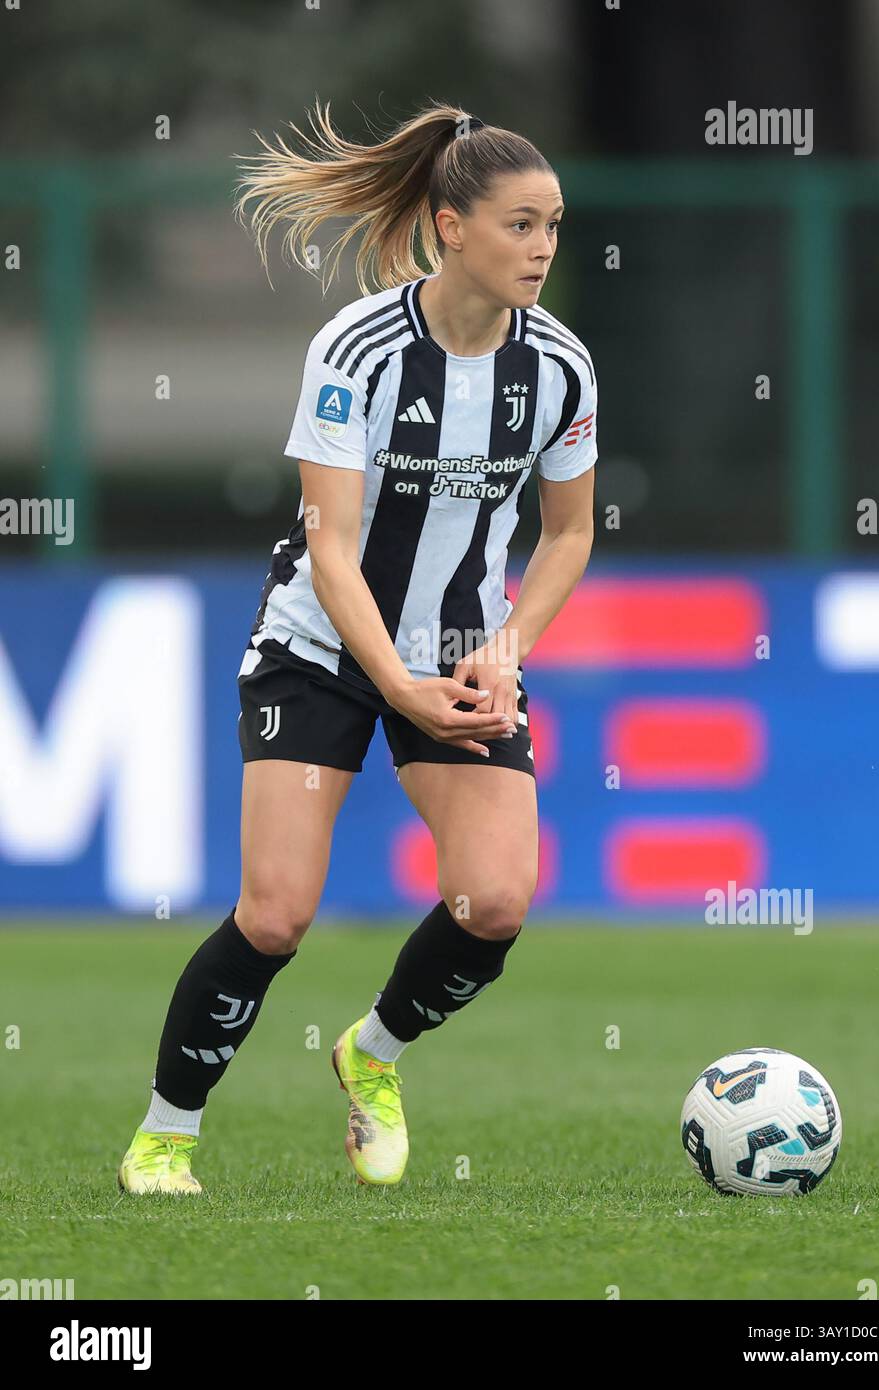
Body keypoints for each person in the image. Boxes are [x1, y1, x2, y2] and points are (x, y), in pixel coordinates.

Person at [117, 98, 597, 1193]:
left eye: (555, 225)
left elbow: (568, 532)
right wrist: (401, 686)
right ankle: (165, 1133)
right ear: (449, 228)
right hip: (324, 647)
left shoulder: (560, 367)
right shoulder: (359, 347)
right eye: (520, 225)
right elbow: (333, 550)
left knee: (497, 904)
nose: (542, 248)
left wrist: (506, 648)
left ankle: (369, 1054)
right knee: (277, 913)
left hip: (464, 652)